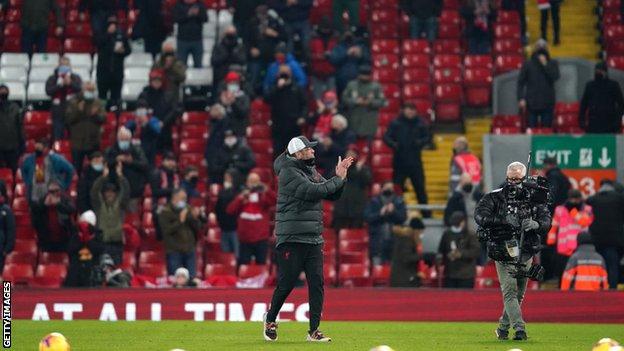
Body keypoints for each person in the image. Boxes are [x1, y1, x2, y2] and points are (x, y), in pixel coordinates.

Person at [264, 136, 354, 342]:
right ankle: (270, 320)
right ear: (298, 153)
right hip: (291, 237)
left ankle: (314, 331)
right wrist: (337, 179)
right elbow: (315, 191)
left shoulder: (308, 170)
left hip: (313, 237)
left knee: (317, 283)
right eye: (309, 149)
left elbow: (332, 195)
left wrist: (341, 177)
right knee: (286, 283)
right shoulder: (288, 173)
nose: (313, 151)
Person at [475, 161, 551, 341]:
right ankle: (520, 330)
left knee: (519, 293)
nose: (513, 182)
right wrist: (502, 220)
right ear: (506, 177)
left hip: (525, 250)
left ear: (525, 178)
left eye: (517, 179)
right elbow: (479, 216)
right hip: (502, 249)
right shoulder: (494, 197)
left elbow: (546, 220)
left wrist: (536, 224)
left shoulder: (536, 198)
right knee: (509, 291)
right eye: (510, 179)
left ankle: (502, 328)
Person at [384, 103, 430, 215]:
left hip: (415, 162)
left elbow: (428, 137)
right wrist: (394, 144)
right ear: (403, 110)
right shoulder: (396, 123)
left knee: (420, 189)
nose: (410, 112)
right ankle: (394, 213)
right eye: (408, 109)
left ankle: (426, 215)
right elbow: (386, 137)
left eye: (413, 110)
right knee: (397, 189)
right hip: (399, 162)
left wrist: (420, 143)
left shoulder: (421, 123)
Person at [227, 172, 276, 265]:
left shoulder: (264, 197)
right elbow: (230, 210)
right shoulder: (242, 196)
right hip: (245, 240)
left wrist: (266, 190)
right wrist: (241, 198)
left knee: (261, 266)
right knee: (243, 266)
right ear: (247, 183)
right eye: (251, 182)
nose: (253, 184)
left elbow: (275, 201)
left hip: (261, 239)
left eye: (255, 182)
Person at [547, 189, 593, 284]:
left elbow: (585, 222)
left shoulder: (587, 209)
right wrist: (550, 240)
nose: (574, 202)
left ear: (580, 199)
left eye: (576, 199)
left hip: (579, 246)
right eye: (573, 199)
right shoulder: (560, 209)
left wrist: (574, 213)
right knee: (562, 271)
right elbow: (554, 225)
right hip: (563, 246)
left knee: (576, 272)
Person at [586, 179, 624, 290]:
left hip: (596, 239)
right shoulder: (620, 199)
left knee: (598, 264)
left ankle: (599, 286)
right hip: (615, 239)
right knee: (613, 265)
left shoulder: (593, 199)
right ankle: (612, 288)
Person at [90, 163, 130, 265]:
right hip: (102, 243)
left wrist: (120, 176)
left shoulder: (121, 205)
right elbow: (94, 191)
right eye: (107, 192)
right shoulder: (99, 205)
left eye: (112, 192)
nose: (110, 194)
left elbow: (126, 191)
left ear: (116, 193)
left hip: (117, 243)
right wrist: (103, 178)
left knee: (117, 268)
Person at [264, 65, 308, 158]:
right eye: (281, 72)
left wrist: (302, 117)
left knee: (293, 152)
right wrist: (277, 87)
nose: (284, 74)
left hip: (293, 125)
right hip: (278, 124)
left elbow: (304, 104)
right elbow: (267, 99)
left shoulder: (297, 88)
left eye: (286, 72)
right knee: (278, 152)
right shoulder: (275, 87)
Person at [159, 188, 204, 278]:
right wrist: (180, 220)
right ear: (175, 198)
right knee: (175, 280)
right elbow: (167, 230)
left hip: (189, 250)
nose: (184, 201)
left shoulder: (188, 209)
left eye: (185, 198)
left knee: (191, 279)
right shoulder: (165, 212)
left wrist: (195, 218)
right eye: (182, 198)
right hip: (174, 251)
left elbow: (198, 227)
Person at [65, 82, 107, 173]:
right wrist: (78, 111)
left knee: (96, 169)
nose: (90, 92)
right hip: (78, 142)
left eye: (92, 90)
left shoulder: (98, 103)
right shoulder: (74, 102)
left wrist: (95, 115)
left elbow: (103, 119)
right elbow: (68, 119)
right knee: (77, 169)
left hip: (93, 142)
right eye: (88, 90)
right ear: (83, 90)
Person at [517, 40, 560, 128]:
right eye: (539, 48)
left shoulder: (552, 63)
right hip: (531, 103)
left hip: (547, 103)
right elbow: (520, 83)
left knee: (546, 132)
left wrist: (545, 65)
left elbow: (555, 77)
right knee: (531, 131)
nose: (541, 51)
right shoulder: (528, 64)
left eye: (543, 48)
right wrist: (521, 98)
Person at [246, 5, 288, 94]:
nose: (262, 17)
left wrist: (275, 34)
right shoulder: (252, 23)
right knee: (254, 79)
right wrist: (251, 49)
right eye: (260, 15)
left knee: (271, 79)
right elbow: (247, 40)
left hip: (271, 56)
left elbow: (285, 37)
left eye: (264, 15)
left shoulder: (274, 22)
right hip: (256, 57)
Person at [364, 181, 408, 265]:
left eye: (391, 188)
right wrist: (380, 214)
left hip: (395, 242)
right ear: (382, 188)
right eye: (387, 187)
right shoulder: (373, 201)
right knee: (378, 269)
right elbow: (368, 218)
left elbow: (403, 218)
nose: (389, 190)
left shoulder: (399, 201)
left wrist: (394, 211)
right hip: (377, 242)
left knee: (393, 271)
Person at [105, 127, 149, 210]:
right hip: (115, 190)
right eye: (122, 139)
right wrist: (116, 159)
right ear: (118, 139)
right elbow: (106, 163)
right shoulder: (111, 150)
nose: (123, 142)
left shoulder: (137, 150)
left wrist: (131, 162)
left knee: (131, 216)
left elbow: (145, 165)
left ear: (130, 139)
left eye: (126, 139)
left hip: (133, 191)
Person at [137, 69, 180, 154]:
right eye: (154, 81)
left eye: (158, 81)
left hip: (164, 131)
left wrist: (163, 122)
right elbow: (140, 110)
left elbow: (174, 111)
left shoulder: (169, 95)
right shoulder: (144, 94)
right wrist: (149, 121)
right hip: (148, 132)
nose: (156, 83)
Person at [21, 138, 75, 204]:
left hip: (51, 194)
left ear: (46, 148)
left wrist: (64, 185)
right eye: (36, 148)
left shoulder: (56, 159)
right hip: (34, 195)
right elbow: (23, 169)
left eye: (40, 148)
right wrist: (28, 182)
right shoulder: (30, 159)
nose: (37, 150)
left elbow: (70, 169)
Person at [342, 65, 387, 140]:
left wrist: (370, 102)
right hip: (354, 120)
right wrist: (355, 101)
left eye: (366, 75)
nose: (364, 77)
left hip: (370, 121)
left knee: (369, 146)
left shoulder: (376, 86)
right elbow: (344, 99)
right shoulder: (352, 85)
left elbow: (383, 102)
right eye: (363, 75)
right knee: (353, 147)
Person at [95, 15, 131, 109]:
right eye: (110, 24)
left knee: (116, 99)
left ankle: (115, 117)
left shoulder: (122, 36)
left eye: (114, 24)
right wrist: (108, 34)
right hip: (103, 73)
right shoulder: (101, 34)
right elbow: (97, 44)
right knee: (102, 98)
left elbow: (128, 50)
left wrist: (123, 51)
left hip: (117, 73)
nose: (112, 26)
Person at [438, 212, 481, 288]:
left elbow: (476, 251)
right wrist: (447, 256)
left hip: (466, 275)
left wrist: (461, 254)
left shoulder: (470, 235)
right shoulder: (447, 234)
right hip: (450, 274)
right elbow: (441, 250)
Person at [579, 62, 624, 134]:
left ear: (605, 72)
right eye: (597, 70)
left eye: (600, 70)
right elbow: (583, 105)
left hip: (610, 124)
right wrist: (582, 120)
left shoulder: (613, 85)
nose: (598, 72)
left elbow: (621, 105)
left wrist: (617, 122)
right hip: (593, 123)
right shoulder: (590, 86)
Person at [31, 180, 76, 252]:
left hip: (64, 239)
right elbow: (35, 218)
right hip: (47, 240)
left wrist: (58, 204)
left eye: (57, 191)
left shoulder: (65, 199)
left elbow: (72, 209)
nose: (55, 193)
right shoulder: (42, 200)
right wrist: (44, 206)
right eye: (52, 191)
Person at [45, 56, 83, 140]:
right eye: (62, 65)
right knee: (57, 136)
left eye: (66, 65)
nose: (64, 67)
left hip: (72, 111)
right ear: (58, 65)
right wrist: (60, 85)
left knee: (74, 137)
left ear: (70, 66)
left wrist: (71, 84)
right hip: (57, 112)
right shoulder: (52, 78)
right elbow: (48, 91)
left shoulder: (75, 78)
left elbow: (80, 89)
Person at [332, 149, 371, 231]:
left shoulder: (363, 168)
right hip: (342, 205)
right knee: (338, 230)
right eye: (348, 154)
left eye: (352, 154)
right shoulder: (340, 167)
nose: (350, 156)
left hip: (357, 205)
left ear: (356, 156)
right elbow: (332, 180)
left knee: (355, 231)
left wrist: (359, 169)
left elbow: (368, 181)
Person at [64, 210, 105, 287]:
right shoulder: (75, 236)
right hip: (76, 270)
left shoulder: (98, 235)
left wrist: (88, 240)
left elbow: (100, 250)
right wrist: (81, 240)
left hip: (92, 270)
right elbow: (70, 249)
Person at [329, 30, 370, 96]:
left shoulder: (361, 46)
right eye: (346, 33)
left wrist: (361, 55)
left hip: (357, 81)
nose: (348, 35)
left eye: (350, 33)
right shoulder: (338, 47)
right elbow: (333, 60)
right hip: (341, 81)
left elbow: (368, 60)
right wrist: (346, 53)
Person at [124, 101, 163, 165]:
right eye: (139, 112)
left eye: (142, 112)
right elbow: (125, 130)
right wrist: (135, 123)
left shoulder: (153, 120)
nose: (141, 114)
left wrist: (146, 123)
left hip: (149, 153)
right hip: (134, 152)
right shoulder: (132, 121)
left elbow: (157, 133)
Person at [390, 217, 425, 287]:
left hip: (406, 278)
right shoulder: (406, 240)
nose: (421, 235)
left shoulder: (408, 239)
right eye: (421, 232)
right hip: (403, 281)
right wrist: (423, 256)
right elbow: (407, 258)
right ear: (416, 230)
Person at [309, 17, 338, 99]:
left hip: (330, 71)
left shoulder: (335, 37)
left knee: (331, 98)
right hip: (316, 72)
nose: (325, 31)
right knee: (317, 98)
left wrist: (331, 55)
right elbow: (307, 54)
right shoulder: (312, 37)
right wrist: (317, 56)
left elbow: (339, 54)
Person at [173, 0, 208, 68]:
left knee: (198, 65)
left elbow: (205, 19)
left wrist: (197, 14)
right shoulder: (178, 5)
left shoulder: (200, 5)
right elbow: (176, 19)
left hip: (197, 39)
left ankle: (199, 78)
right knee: (181, 66)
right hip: (182, 40)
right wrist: (188, 15)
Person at [215, 170, 241, 257]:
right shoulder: (222, 192)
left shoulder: (239, 191)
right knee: (226, 256)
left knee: (237, 255)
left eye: (228, 178)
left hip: (236, 229)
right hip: (224, 228)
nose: (226, 180)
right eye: (225, 178)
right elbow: (218, 208)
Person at [218, 71, 251, 137]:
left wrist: (233, 102)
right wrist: (223, 104)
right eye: (230, 83)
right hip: (224, 130)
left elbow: (243, 112)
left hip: (239, 130)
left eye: (235, 83)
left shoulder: (243, 97)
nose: (232, 85)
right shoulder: (222, 96)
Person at [0, 84, 24, 173]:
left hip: (13, 147)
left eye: (4, 90)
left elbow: (20, 126)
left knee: (14, 171)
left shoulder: (15, 107)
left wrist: (22, 143)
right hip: (0, 147)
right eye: (1, 90)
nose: (3, 92)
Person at [205, 104, 231, 180]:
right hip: (212, 157)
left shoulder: (226, 123)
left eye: (213, 110)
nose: (210, 112)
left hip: (220, 159)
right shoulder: (213, 123)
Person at [0, 182, 16, 272]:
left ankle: (7, 287)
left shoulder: (6, 210)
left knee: (5, 277)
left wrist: (6, 250)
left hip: (1, 252)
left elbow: (11, 231)